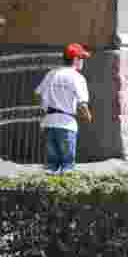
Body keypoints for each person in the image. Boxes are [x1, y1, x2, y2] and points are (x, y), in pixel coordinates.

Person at [35, 43, 93, 174]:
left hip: (49, 123)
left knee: (50, 167)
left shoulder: (51, 74)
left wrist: (44, 108)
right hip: (67, 125)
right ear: (75, 59)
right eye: (82, 58)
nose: (83, 62)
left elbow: (38, 94)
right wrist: (88, 116)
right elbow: (82, 104)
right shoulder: (77, 78)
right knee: (67, 166)